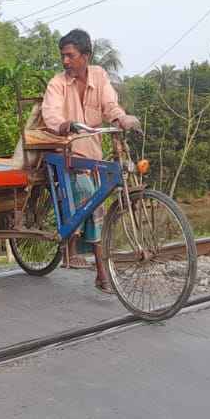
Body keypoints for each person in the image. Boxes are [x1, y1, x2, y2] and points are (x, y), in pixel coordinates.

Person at [38, 28, 142, 293]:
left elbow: (110, 105)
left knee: (97, 201)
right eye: (63, 56)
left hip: (92, 153)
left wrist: (121, 118)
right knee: (91, 201)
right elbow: (50, 113)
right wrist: (63, 125)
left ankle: (87, 257)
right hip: (65, 154)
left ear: (86, 56)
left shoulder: (99, 75)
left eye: (70, 55)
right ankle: (100, 273)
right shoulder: (57, 83)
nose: (65, 61)